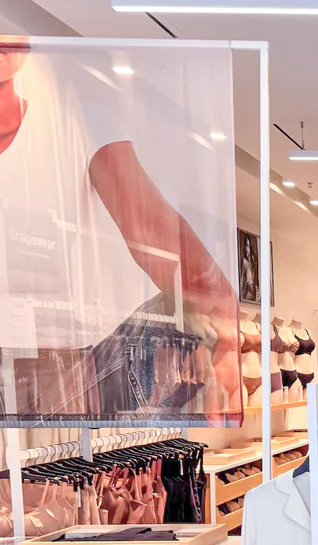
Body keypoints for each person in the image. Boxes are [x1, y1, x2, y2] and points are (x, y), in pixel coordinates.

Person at [0, 39, 239, 424]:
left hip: (59, 366)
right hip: (57, 372)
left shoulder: (75, 121)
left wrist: (224, 334)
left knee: (174, 312)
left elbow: (150, 226)